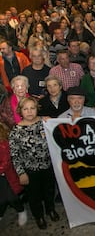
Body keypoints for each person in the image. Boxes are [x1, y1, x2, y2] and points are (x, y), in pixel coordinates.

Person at [9, 97, 59, 229]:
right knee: (34, 196)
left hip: (48, 166)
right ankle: (39, 216)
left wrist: (51, 121)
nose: (29, 111)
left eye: (32, 108)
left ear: (37, 109)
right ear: (20, 111)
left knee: (49, 191)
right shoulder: (15, 131)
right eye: (25, 109)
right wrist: (21, 173)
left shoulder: (45, 122)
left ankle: (50, 209)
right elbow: (15, 155)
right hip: (30, 171)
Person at [0, 122, 27, 226]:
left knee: (11, 197)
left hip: (6, 175)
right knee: (1, 199)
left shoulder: (3, 141)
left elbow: (6, 162)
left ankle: (21, 210)